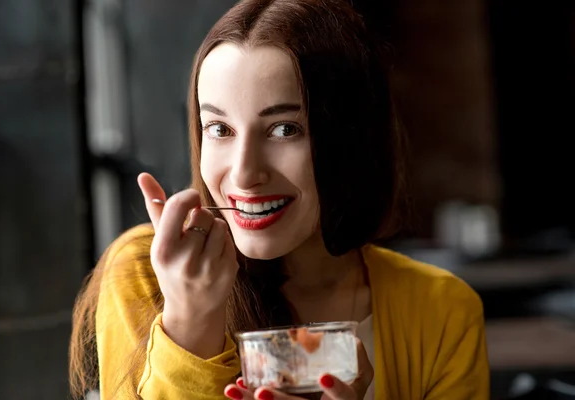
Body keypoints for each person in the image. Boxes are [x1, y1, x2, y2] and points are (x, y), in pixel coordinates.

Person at [69, 0, 490, 399]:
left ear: (352, 140)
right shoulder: (145, 276)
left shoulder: (443, 310)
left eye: (284, 129)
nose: (244, 173)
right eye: (219, 128)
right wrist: (190, 320)